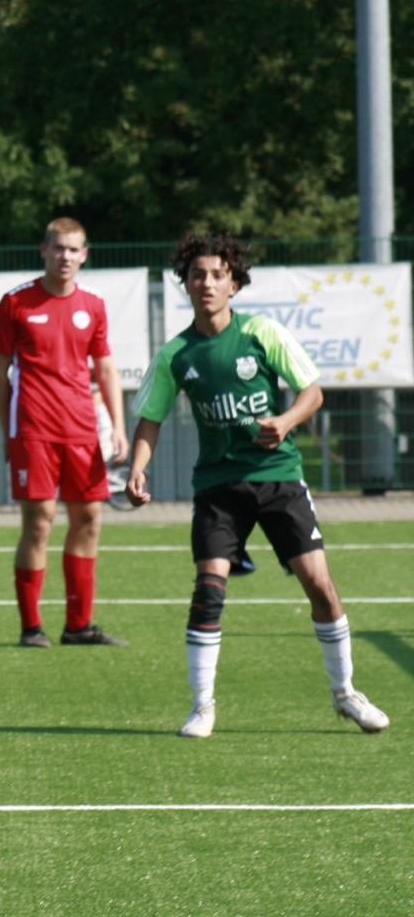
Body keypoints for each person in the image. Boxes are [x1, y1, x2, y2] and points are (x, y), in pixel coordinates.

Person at [125, 234, 389, 739]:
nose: (207, 283)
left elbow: (312, 392)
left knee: (320, 586)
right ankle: (202, 706)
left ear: (234, 284)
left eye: (217, 275)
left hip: (278, 479)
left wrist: (285, 422)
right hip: (218, 487)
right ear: (186, 283)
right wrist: (138, 467)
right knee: (208, 590)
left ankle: (346, 694)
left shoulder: (262, 333)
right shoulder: (177, 353)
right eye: (197, 275)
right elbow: (150, 419)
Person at [0, 217, 126, 649]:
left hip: (83, 429)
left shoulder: (94, 304)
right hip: (33, 429)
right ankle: (31, 628)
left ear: (84, 255)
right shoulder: (15, 302)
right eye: (58, 248)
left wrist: (119, 427)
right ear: (44, 251)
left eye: (73, 250)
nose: (65, 257)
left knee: (89, 518)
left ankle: (78, 626)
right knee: (40, 521)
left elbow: (105, 368)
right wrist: (7, 431)